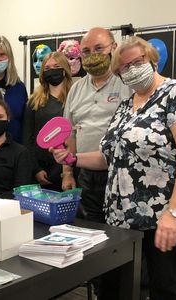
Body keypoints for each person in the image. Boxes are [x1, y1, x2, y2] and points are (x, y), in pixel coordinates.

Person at [52, 36, 176, 300]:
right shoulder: (126, 106)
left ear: (151, 59)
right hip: (127, 215)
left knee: (165, 284)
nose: (131, 70)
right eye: (123, 68)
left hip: (168, 211)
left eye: (136, 62)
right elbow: (109, 156)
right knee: (121, 283)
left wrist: (174, 214)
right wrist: (72, 160)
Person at [63, 27, 132, 223]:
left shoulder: (127, 85)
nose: (93, 55)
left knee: (122, 233)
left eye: (99, 48)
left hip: (120, 173)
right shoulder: (76, 89)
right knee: (89, 229)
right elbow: (69, 133)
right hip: (85, 173)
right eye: (86, 51)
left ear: (114, 48)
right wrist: (67, 173)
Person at [22, 51, 75, 191]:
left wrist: (67, 171)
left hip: (69, 167)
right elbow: (27, 139)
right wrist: (36, 169)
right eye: (47, 68)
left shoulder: (75, 98)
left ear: (65, 69)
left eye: (56, 66)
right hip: (41, 168)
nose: (51, 71)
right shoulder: (33, 101)